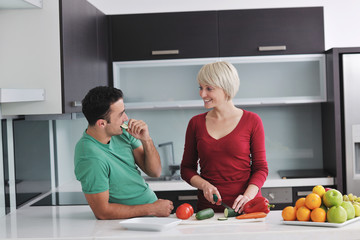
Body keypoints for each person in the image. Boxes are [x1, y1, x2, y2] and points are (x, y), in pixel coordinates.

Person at [180, 61, 268, 213]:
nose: (202, 94)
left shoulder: (252, 121)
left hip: (247, 209)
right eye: (201, 88)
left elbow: (261, 168)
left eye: (209, 89)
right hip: (209, 211)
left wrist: (247, 197)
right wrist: (204, 185)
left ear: (226, 88)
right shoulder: (196, 123)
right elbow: (187, 169)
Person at [74, 86, 174, 219]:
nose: (126, 118)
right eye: (120, 115)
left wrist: (146, 139)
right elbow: (102, 212)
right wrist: (152, 208)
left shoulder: (122, 132)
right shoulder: (90, 157)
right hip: (129, 223)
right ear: (102, 124)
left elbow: (154, 172)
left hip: (151, 215)